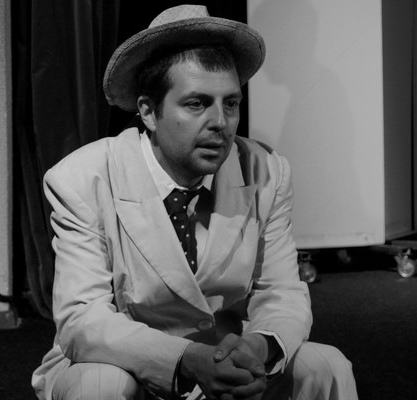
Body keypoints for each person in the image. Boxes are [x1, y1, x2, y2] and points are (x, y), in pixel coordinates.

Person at [32, 5, 358, 400]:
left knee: (327, 367)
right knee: (99, 386)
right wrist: (186, 358)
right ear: (149, 112)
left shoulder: (267, 171)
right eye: (197, 103)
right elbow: (83, 321)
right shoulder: (83, 178)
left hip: (228, 359)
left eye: (231, 103)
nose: (220, 122)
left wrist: (257, 348)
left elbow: (282, 293)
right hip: (128, 365)